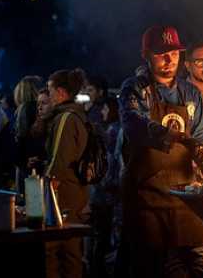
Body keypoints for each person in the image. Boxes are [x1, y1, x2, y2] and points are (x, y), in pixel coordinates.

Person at [119, 25, 203, 278]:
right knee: (152, 269)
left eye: (174, 52)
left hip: (187, 200)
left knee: (201, 267)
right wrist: (173, 136)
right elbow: (133, 124)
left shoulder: (190, 92)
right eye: (161, 54)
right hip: (146, 198)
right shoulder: (135, 89)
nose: (169, 59)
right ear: (147, 55)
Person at [44, 68, 89, 278]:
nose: (48, 94)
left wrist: (45, 188)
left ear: (61, 92)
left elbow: (59, 160)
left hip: (63, 193)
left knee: (54, 250)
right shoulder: (78, 115)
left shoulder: (65, 118)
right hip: (76, 190)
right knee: (71, 251)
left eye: (50, 89)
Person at [89, 97, 122, 278]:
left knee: (104, 240)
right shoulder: (117, 128)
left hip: (109, 196)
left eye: (105, 109)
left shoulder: (113, 130)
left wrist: (102, 184)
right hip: (112, 194)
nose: (102, 112)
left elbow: (110, 164)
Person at [13, 75, 41, 193]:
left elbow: (20, 137)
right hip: (39, 162)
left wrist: (19, 161)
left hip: (27, 164)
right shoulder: (42, 108)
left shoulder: (25, 108)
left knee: (28, 204)